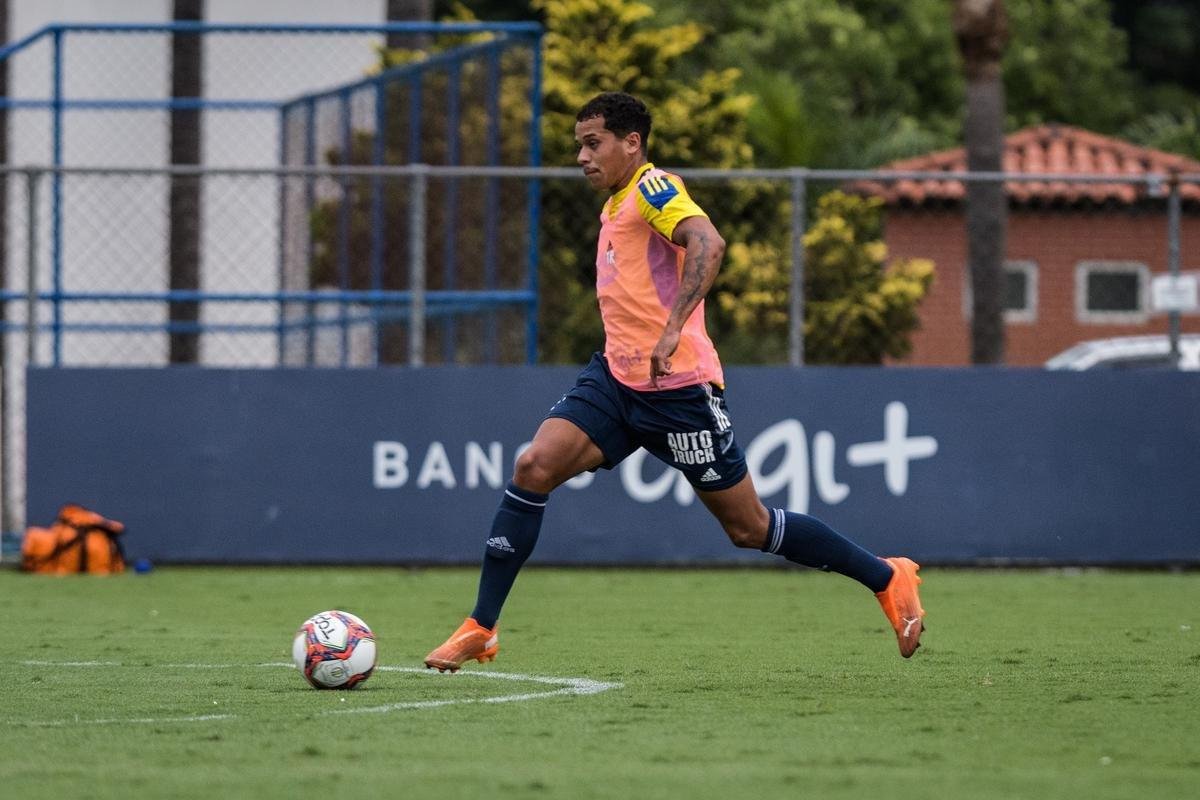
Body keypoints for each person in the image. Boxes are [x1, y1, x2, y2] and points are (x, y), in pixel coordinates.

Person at [424, 91, 925, 672]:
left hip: (679, 389)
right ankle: (480, 627)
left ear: (631, 143)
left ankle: (887, 577)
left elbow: (708, 243)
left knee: (748, 527)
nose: (582, 157)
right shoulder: (614, 205)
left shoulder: (652, 189)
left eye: (593, 144)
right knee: (534, 467)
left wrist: (670, 330)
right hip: (615, 379)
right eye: (578, 146)